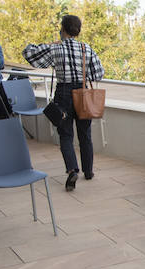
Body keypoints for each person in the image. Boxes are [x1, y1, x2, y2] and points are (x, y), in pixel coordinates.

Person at [22, 15, 104, 191]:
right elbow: (98, 74)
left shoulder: (56, 48)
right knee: (85, 134)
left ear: (63, 29)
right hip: (83, 93)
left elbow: (28, 53)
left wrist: (51, 45)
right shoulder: (86, 48)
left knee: (66, 135)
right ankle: (88, 171)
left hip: (63, 94)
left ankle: (72, 170)